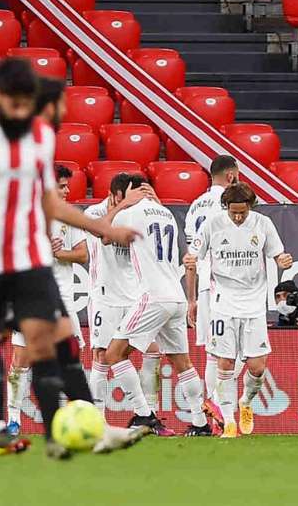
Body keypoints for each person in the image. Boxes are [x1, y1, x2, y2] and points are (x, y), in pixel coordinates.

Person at [0, 57, 138, 460]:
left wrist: (105, 228)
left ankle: (72, 433)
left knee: (57, 341)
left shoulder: (35, 140)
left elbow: (50, 201)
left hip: (29, 259)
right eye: (15, 103)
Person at [184, 182, 294, 438]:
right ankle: (229, 421)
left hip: (254, 303)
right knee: (225, 362)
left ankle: (245, 401)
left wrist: (283, 260)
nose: (237, 217)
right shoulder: (212, 223)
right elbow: (193, 255)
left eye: (241, 212)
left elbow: (278, 255)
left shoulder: (263, 224)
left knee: (257, 367)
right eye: (233, 212)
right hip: (223, 301)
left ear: (250, 207)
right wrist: (190, 259)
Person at [105, 180, 212, 437]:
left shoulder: (131, 212)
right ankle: (200, 423)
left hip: (152, 296)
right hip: (176, 297)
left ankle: (143, 415)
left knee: (114, 354)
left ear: (127, 191)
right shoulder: (165, 213)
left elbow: (104, 235)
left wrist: (122, 204)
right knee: (182, 362)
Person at [85, 173, 175, 436]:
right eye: (130, 197)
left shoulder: (139, 213)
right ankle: (98, 422)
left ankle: (147, 412)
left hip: (136, 294)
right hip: (105, 296)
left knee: (153, 350)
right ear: (115, 195)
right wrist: (124, 205)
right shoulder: (95, 211)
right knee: (102, 357)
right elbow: (101, 232)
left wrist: (155, 205)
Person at [6, 164, 87, 436]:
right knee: (21, 360)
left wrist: (60, 253)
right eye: (61, 186)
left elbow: (83, 255)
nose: (67, 191)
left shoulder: (70, 216)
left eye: (67, 186)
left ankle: (70, 419)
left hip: (64, 299)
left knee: (70, 361)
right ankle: (13, 420)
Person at [183, 154, 240, 433]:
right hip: (226, 283)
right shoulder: (231, 204)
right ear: (231, 176)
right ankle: (217, 401)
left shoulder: (195, 206)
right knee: (239, 350)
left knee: (211, 354)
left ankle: (216, 418)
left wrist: (191, 298)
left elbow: (190, 257)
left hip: (203, 283)